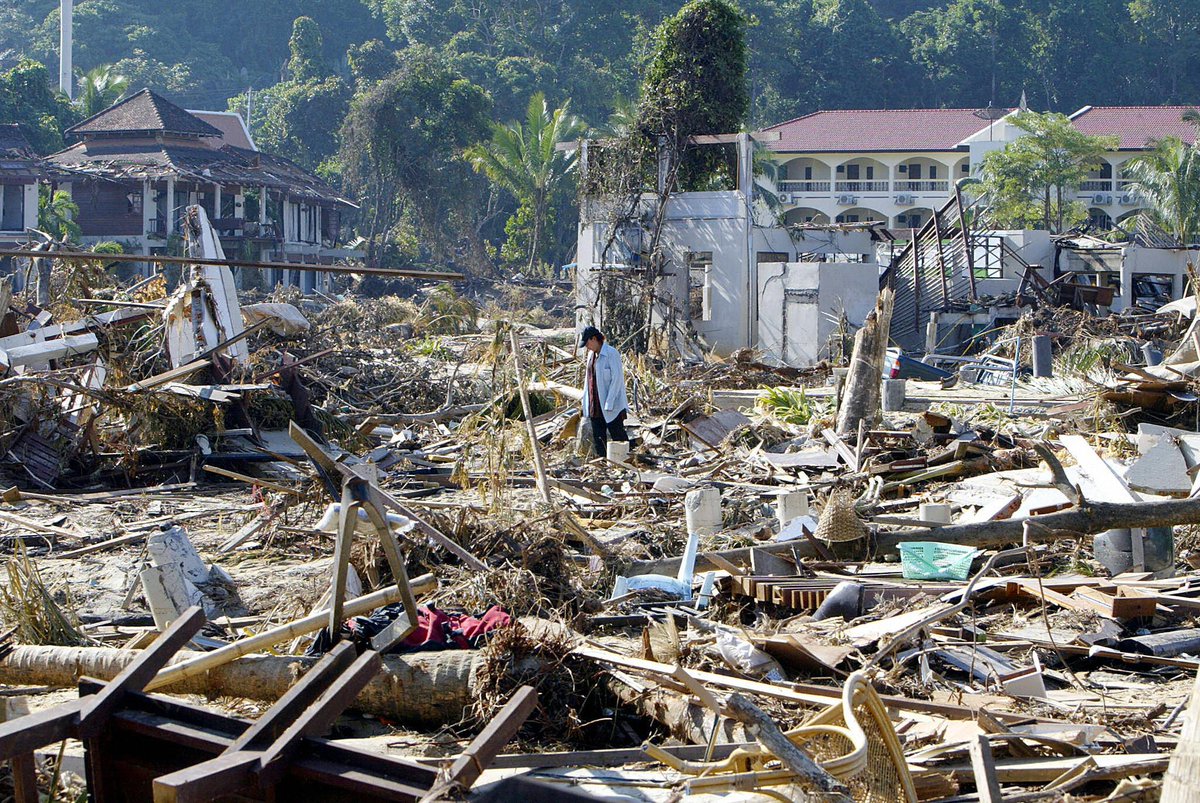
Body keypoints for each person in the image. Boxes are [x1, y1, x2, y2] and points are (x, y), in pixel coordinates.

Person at [579, 325, 629, 458]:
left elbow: (617, 379)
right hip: (595, 403)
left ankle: (625, 460)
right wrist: (585, 403)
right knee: (598, 437)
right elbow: (588, 381)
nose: (587, 347)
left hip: (611, 403)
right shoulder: (591, 356)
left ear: (594, 339)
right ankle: (603, 462)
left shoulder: (611, 353)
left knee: (618, 434)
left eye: (588, 343)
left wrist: (610, 402)